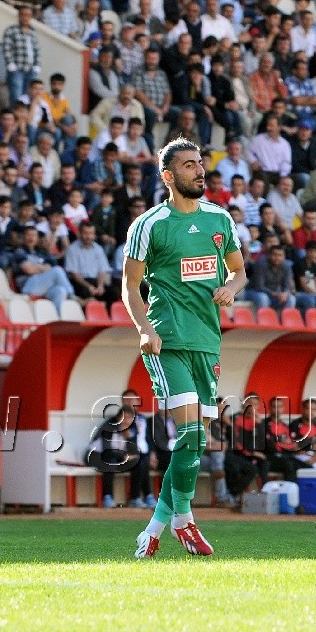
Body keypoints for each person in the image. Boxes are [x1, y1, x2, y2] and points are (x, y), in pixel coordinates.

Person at [128, 138, 246, 559]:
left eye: (200, 163)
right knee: (191, 433)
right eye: (189, 165)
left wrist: (231, 288)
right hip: (169, 340)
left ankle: (157, 527)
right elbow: (130, 286)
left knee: (196, 443)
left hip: (207, 342)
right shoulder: (149, 224)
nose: (199, 170)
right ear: (168, 176)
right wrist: (144, 329)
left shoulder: (220, 218)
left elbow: (239, 271)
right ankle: (185, 520)